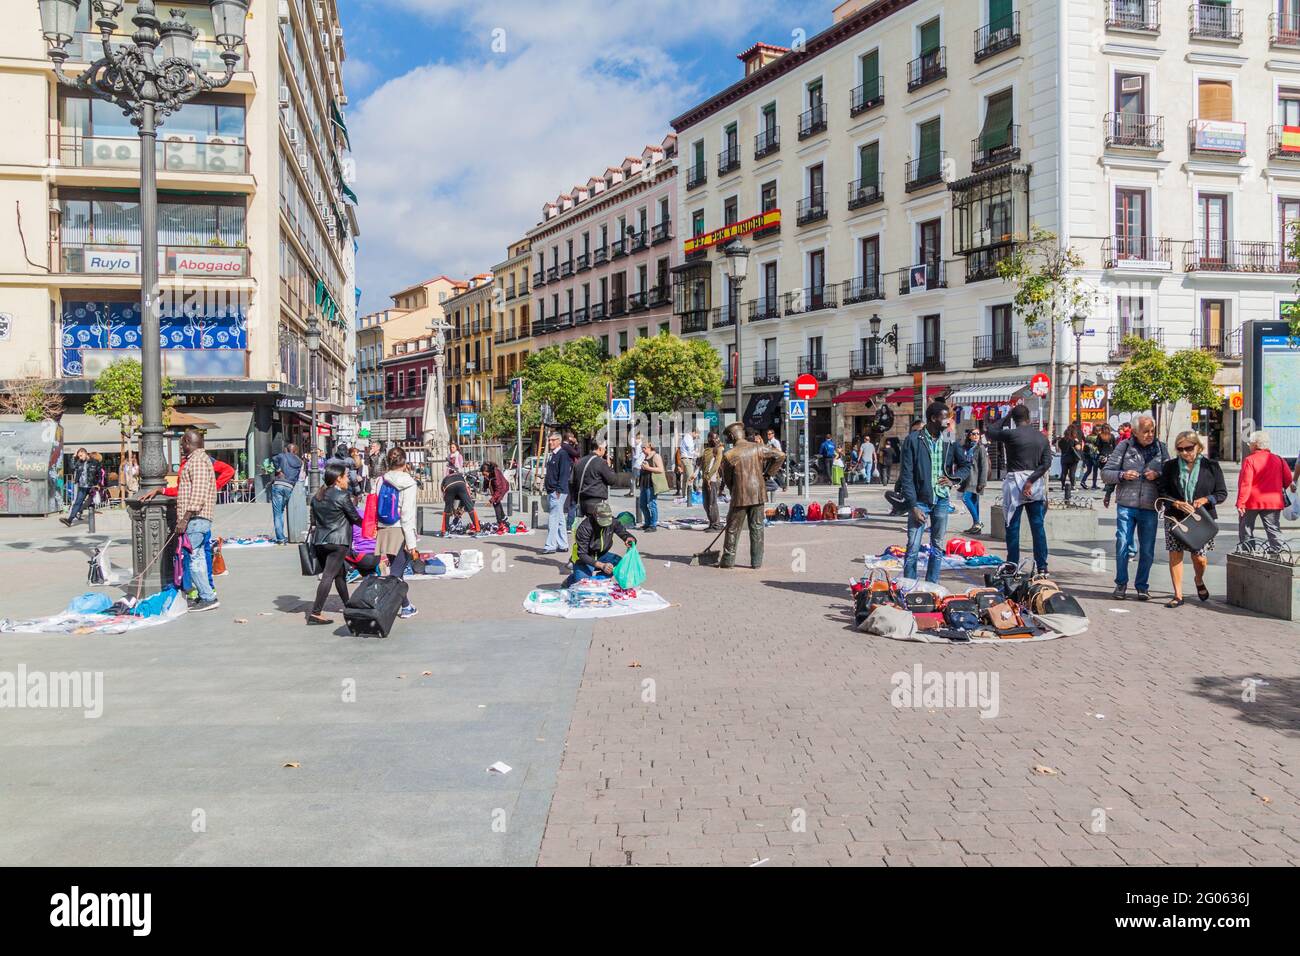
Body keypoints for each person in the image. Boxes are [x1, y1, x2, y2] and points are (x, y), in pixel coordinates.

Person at [899, 402, 970, 583]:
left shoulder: (948, 437)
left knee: (937, 546)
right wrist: (912, 505)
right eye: (945, 417)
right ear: (933, 419)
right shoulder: (914, 440)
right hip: (920, 501)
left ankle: (932, 585)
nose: (949, 421)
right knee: (913, 546)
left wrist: (953, 479)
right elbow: (906, 476)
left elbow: (965, 465)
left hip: (942, 499)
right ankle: (909, 586)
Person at [1102, 414, 1167, 601]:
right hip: (1126, 504)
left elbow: (1170, 473)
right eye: (1145, 431)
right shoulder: (1124, 447)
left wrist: (1158, 474)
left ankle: (1142, 586)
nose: (1149, 434)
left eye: (1152, 431)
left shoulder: (1161, 449)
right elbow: (1106, 473)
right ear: (1135, 432)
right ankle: (1121, 584)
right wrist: (1122, 475)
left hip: (1150, 505)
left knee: (1147, 549)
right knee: (1122, 542)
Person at [1158, 431, 1226, 608]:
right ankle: (1178, 595)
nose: (1184, 452)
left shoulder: (1211, 466)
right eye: (1180, 449)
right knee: (1175, 555)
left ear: (1198, 446)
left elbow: (1221, 493)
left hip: (1201, 519)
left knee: (1200, 558)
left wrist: (1206, 500)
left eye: (1188, 448)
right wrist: (1177, 503)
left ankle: (1198, 579)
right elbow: (1162, 492)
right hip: (1176, 518)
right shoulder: (1170, 466)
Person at [986, 405, 1052, 574]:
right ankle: (1042, 566)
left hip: (1014, 482)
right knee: (1038, 526)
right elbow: (1046, 463)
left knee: (1012, 526)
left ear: (1014, 419)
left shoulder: (1011, 434)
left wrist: (1005, 417)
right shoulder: (1041, 438)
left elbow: (990, 431)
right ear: (1029, 417)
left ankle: (1012, 564)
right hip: (1035, 483)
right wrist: (1031, 481)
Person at [719, 422, 785, 569]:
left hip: (740, 496)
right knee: (757, 527)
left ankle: (728, 560)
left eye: (728, 437)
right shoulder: (758, 447)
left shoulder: (729, 455)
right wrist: (767, 475)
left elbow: (728, 480)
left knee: (732, 528)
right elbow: (780, 455)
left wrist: (734, 490)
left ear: (731, 436)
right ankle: (756, 561)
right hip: (758, 493)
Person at [307, 462, 363, 625]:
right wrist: (369, 525)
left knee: (339, 574)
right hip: (338, 542)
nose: (347, 479)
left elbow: (313, 521)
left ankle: (348, 605)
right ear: (338, 479)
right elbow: (354, 517)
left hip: (320, 541)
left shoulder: (317, 496)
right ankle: (316, 612)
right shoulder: (342, 496)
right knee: (328, 576)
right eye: (345, 476)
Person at [173, 429, 220, 612]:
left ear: (187, 442)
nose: (181, 447)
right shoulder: (196, 460)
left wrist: (185, 518)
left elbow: (198, 493)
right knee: (197, 558)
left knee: (192, 559)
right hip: (196, 519)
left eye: (182, 443)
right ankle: (206, 596)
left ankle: (208, 597)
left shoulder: (198, 461)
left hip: (196, 519)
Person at [376, 447, 421, 620]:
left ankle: (406, 606)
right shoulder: (409, 482)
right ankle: (382, 602)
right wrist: (412, 543)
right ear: (404, 461)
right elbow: (407, 515)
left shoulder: (381, 480)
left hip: (384, 527)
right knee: (395, 573)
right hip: (400, 530)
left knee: (397, 570)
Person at [1236, 430, 1292, 552]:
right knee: (1273, 528)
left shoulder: (1250, 460)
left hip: (1251, 501)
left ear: (1255, 444)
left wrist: (1241, 502)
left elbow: (1245, 483)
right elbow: (1288, 480)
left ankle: (1248, 552)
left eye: (1250, 444)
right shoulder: (1279, 459)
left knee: (1246, 528)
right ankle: (1278, 552)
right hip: (1273, 501)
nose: (1249, 446)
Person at [566, 500, 637, 586]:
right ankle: (571, 580)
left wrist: (629, 538)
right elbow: (582, 554)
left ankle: (600, 580)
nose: (605, 525)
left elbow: (623, 533)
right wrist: (602, 566)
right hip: (584, 558)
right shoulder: (585, 528)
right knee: (584, 585)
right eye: (603, 522)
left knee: (619, 562)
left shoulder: (613, 522)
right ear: (595, 516)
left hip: (601, 555)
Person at [571, 435, 618, 519]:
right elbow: (612, 480)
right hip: (596, 501)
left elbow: (572, 482)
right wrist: (610, 467)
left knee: (587, 528)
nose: (605, 450)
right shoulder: (601, 463)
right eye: (605, 448)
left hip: (581, 501)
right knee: (597, 529)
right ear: (600, 448)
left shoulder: (579, 462)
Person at [541, 431, 572, 553]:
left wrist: (558, 490)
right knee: (559, 518)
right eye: (549, 440)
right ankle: (563, 544)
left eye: (553, 440)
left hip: (557, 491)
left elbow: (564, 473)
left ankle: (550, 545)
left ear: (559, 441)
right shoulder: (553, 454)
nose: (550, 442)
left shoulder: (562, 454)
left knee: (553, 518)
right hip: (553, 490)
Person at [270, 443, 303, 545]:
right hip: (289, 487)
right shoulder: (299, 461)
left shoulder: (282, 456)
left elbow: (274, 459)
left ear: (287, 450)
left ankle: (280, 538)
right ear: (296, 451)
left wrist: (279, 470)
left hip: (279, 484)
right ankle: (282, 537)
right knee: (281, 511)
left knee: (277, 513)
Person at [959, 427, 989, 535]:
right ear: (969, 435)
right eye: (973, 434)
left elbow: (984, 466)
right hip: (967, 478)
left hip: (975, 479)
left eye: (978, 434)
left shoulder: (980, 448)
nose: (976, 435)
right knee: (975, 502)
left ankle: (977, 522)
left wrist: (982, 482)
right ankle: (976, 527)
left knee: (965, 498)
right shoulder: (966, 448)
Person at [61, 448, 99, 526]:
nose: (80, 457)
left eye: (81, 455)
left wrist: (98, 484)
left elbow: (100, 473)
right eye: (79, 456)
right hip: (82, 486)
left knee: (92, 501)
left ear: (85, 453)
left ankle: (89, 518)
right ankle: (70, 520)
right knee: (77, 502)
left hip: (92, 485)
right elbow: (72, 467)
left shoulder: (94, 462)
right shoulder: (79, 462)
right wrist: (73, 457)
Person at [441, 466, 481, 535]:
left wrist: (451, 509)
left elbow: (445, 496)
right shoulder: (460, 476)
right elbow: (467, 493)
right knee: (470, 508)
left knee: (447, 509)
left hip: (449, 486)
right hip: (461, 485)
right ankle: (478, 529)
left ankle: (444, 531)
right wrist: (467, 505)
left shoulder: (445, 478)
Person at [698, 430, 725, 531]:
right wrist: (694, 475)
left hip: (713, 479)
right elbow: (701, 464)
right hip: (706, 479)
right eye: (714, 437)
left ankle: (716, 525)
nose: (717, 439)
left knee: (712, 502)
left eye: (717, 437)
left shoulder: (718, 449)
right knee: (706, 503)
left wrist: (709, 477)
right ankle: (711, 523)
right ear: (709, 438)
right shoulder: (706, 450)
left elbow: (716, 464)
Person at [637, 440, 665, 532]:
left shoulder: (656, 456)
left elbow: (661, 469)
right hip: (644, 483)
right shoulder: (646, 456)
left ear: (648, 447)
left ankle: (653, 525)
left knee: (652, 504)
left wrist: (648, 468)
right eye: (642, 449)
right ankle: (647, 523)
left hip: (651, 483)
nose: (643, 450)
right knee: (642, 504)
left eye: (644, 448)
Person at [481, 460, 511, 527]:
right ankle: (503, 517)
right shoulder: (488, 472)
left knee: (496, 502)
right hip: (495, 487)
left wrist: (491, 500)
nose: (484, 476)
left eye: (485, 474)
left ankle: (499, 522)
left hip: (502, 488)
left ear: (489, 471)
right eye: (483, 474)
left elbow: (498, 490)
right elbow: (486, 480)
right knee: (497, 501)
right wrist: (484, 488)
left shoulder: (495, 474)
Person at [679, 428, 698, 499]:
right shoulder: (688, 438)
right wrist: (697, 454)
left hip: (686, 458)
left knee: (685, 478)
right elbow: (690, 450)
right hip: (687, 459)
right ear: (694, 432)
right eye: (696, 435)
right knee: (690, 477)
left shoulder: (687, 438)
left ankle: (685, 495)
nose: (696, 437)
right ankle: (690, 495)